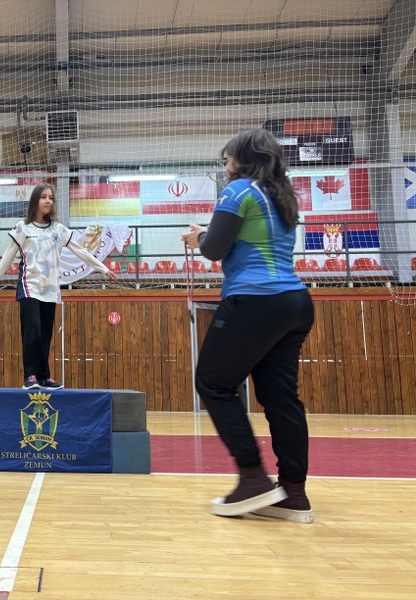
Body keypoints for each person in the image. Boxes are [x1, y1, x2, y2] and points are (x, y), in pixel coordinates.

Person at [181, 128, 315, 523]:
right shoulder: (282, 194)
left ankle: (253, 477)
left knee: (213, 383)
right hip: (294, 303)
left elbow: (214, 249)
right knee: (281, 399)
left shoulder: (238, 190)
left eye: (227, 159)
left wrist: (200, 236)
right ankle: (293, 493)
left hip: (255, 300)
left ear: (243, 159)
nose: (225, 166)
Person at [0, 184, 118, 390]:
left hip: (50, 290)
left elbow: (80, 251)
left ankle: (44, 377)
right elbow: (8, 255)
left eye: (51, 197)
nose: (48, 201)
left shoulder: (58, 229)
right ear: (35, 201)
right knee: (32, 332)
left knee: (45, 334)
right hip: (29, 286)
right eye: (43, 197)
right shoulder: (23, 227)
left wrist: (103, 268)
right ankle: (30, 376)